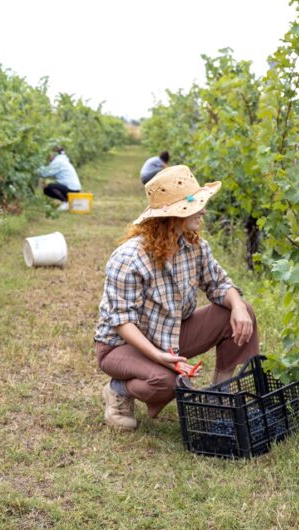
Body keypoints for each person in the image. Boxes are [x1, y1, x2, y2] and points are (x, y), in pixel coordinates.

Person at [94, 165, 257, 431]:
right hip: (123, 344)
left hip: (170, 334)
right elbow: (122, 322)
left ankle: (220, 395)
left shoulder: (194, 246)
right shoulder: (129, 258)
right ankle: (118, 389)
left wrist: (237, 305)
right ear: (173, 215)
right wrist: (158, 356)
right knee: (167, 381)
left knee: (241, 312)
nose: (203, 210)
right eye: (197, 205)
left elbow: (218, 283)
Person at [38, 146, 81, 211]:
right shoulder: (62, 160)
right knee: (48, 188)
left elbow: (45, 173)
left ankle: (66, 202)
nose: (48, 156)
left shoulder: (57, 162)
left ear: (54, 154)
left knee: (49, 187)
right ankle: (68, 202)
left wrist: (36, 167)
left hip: (71, 189)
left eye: (49, 154)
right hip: (74, 189)